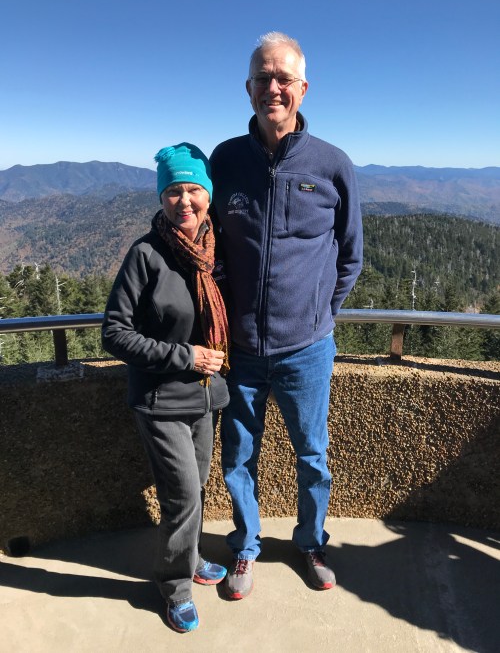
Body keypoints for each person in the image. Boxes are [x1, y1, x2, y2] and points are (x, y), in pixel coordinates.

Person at [209, 32, 363, 599]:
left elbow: (350, 255)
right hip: (241, 350)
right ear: (247, 88)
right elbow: (210, 247)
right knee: (238, 457)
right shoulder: (225, 159)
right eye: (262, 78)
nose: (272, 88)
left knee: (313, 455)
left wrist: (319, 313)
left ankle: (311, 542)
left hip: (307, 348)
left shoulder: (332, 164)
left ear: (303, 88)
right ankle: (245, 547)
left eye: (283, 78)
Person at [102, 143, 230, 633]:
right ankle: (174, 585)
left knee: (197, 486)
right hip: (160, 400)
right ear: (161, 197)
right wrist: (186, 356)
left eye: (194, 189)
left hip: (206, 396)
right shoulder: (146, 254)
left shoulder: (215, 250)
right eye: (173, 190)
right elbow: (114, 332)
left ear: (209, 195)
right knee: (183, 496)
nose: (184, 200)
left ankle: (190, 558)